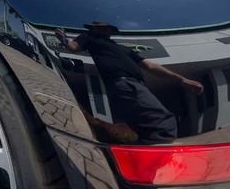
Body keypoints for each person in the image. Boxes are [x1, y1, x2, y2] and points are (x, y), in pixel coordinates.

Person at [55, 21, 203, 144]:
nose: (105, 30)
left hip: (135, 86)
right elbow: (73, 47)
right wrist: (63, 39)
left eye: (108, 28)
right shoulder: (88, 38)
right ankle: (157, 155)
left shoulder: (122, 48)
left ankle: (142, 158)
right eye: (100, 27)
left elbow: (150, 66)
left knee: (144, 128)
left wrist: (181, 80)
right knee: (164, 124)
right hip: (125, 84)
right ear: (94, 29)